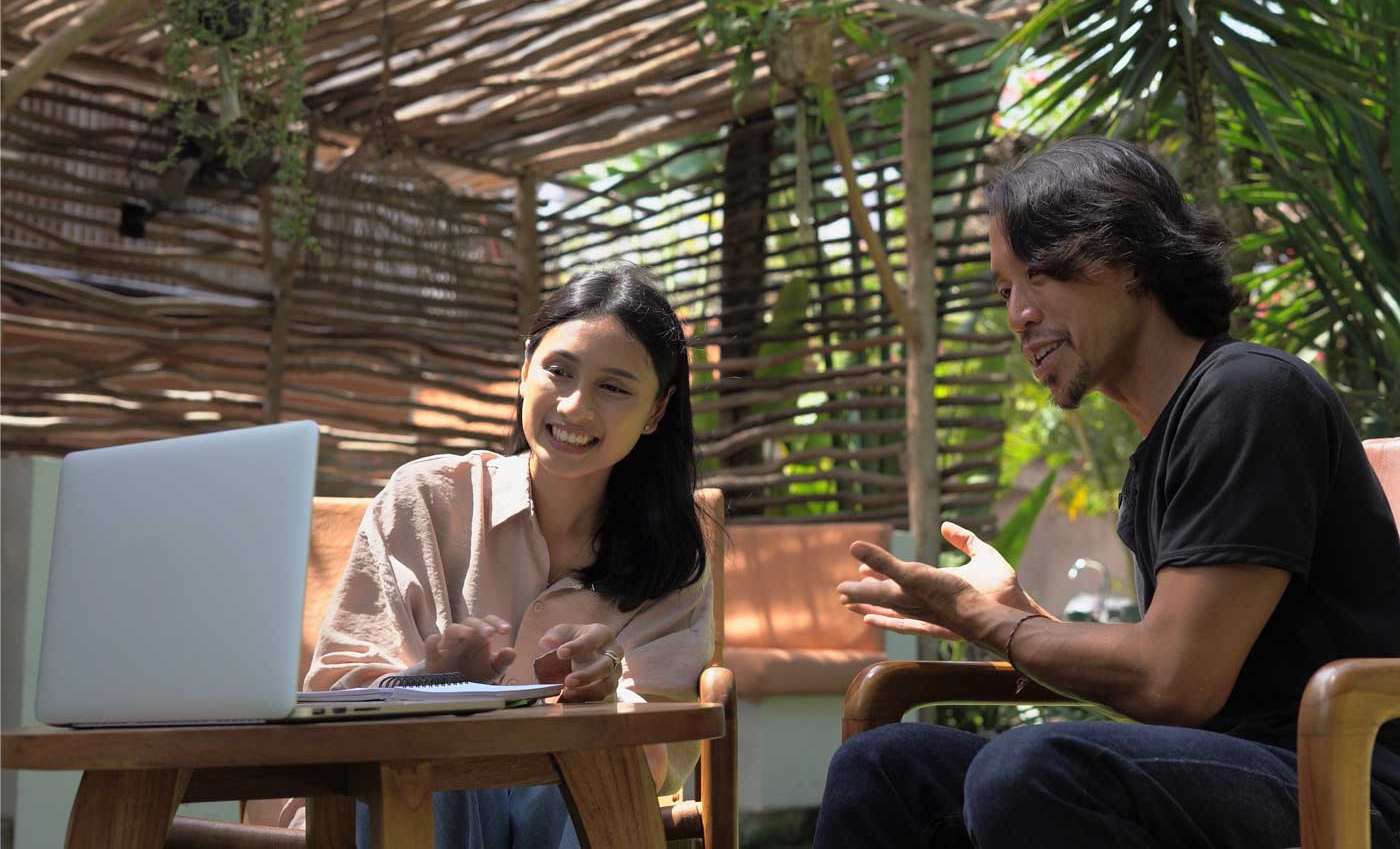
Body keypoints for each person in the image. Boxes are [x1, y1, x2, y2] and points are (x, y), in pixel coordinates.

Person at [814, 137, 1400, 849]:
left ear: (1125, 252)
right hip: (1230, 771)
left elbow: (1176, 683)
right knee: (884, 767)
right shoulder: (1162, 450)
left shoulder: (1250, 395)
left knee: (1026, 770)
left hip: (1347, 784)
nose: (1017, 315)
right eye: (1005, 292)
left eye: (1037, 274)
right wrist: (1018, 615)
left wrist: (989, 623)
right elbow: (1167, 671)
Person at [285, 263, 714, 848]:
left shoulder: (673, 557)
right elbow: (337, 697)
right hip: (404, 800)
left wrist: (600, 701)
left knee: (576, 759)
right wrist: (431, 684)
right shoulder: (424, 499)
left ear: (656, 412)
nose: (575, 407)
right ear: (524, 370)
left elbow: (660, 763)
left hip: (569, 805)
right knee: (435, 750)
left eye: (614, 388)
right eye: (559, 371)